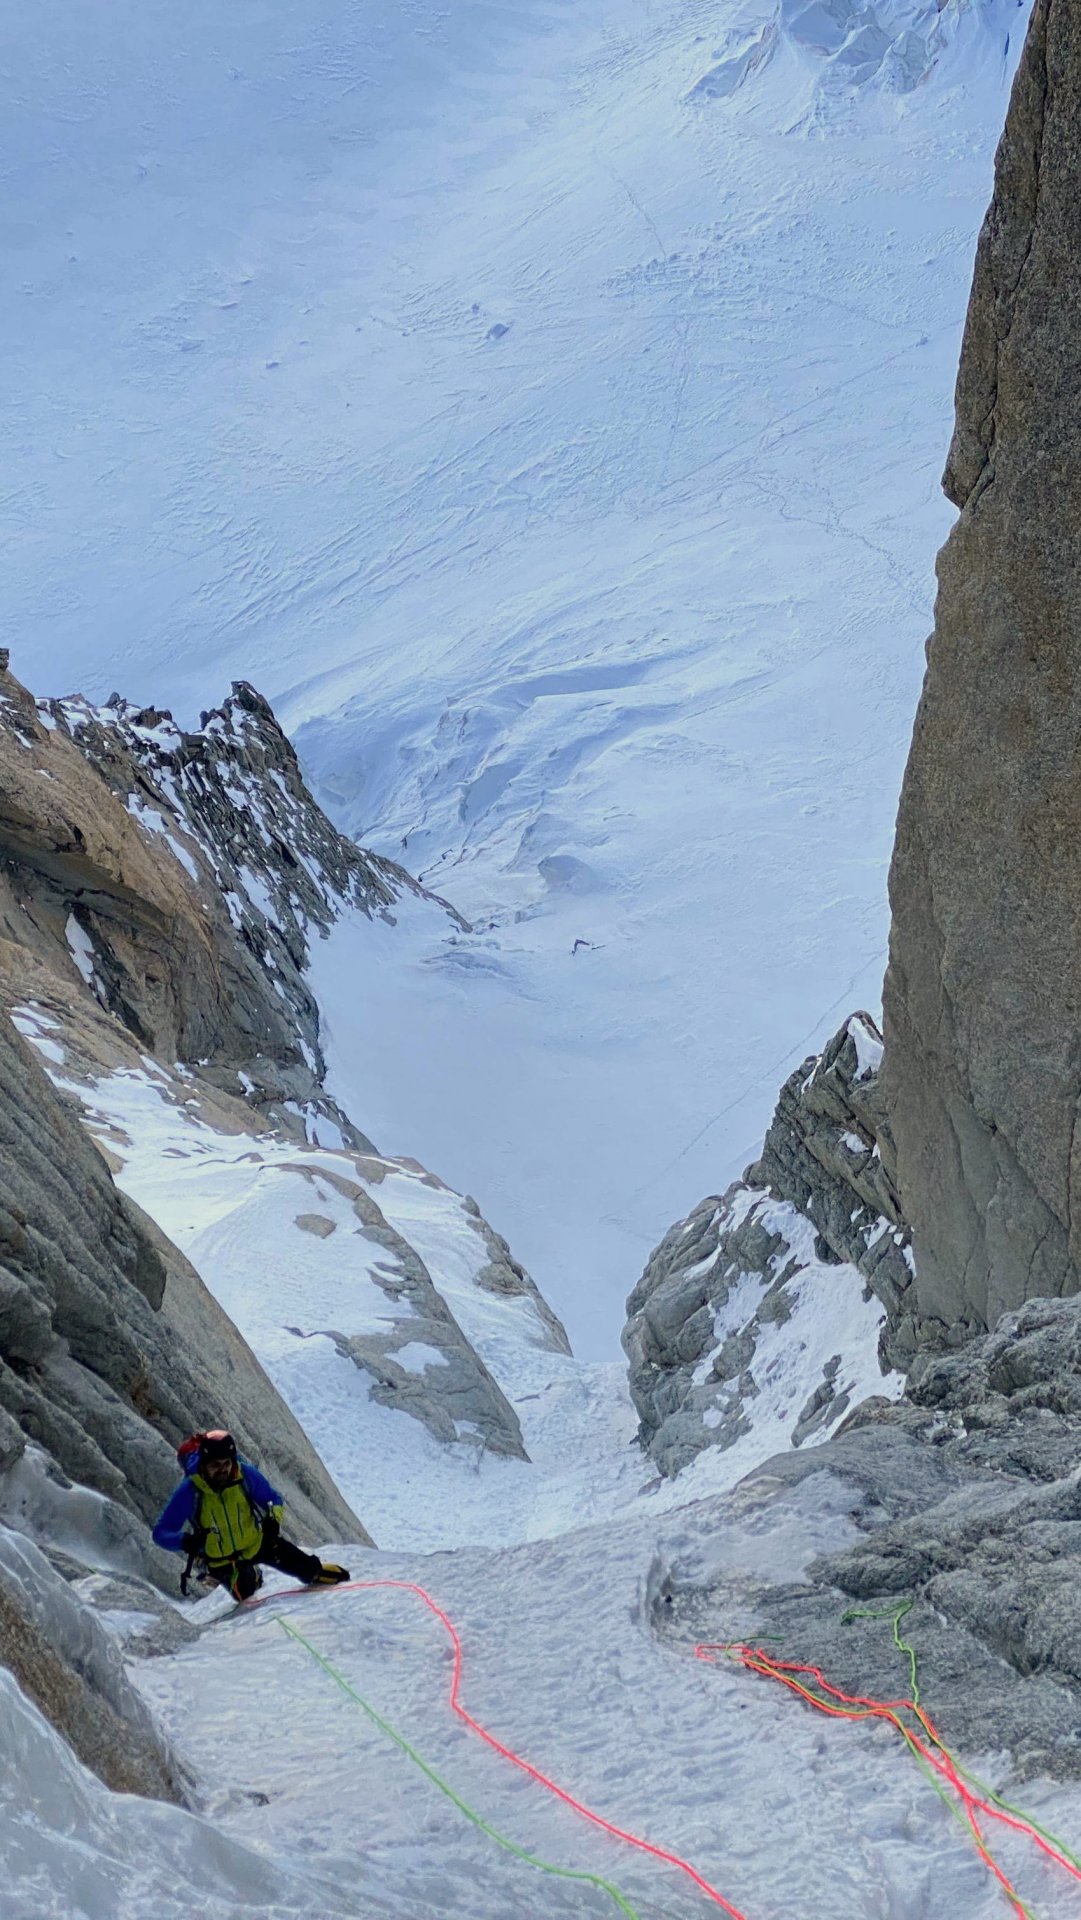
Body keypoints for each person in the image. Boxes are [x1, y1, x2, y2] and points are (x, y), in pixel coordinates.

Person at [152, 1429, 350, 1601]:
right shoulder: (190, 1491)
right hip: (222, 1561)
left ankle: (332, 1574)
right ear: (203, 1464)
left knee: (311, 1571)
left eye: (226, 1463)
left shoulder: (244, 1474)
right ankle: (251, 1576)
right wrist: (185, 1542)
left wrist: (273, 1519)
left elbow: (273, 1499)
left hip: (258, 1543)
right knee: (246, 1592)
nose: (222, 1470)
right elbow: (161, 1533)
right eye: (215, 1465)